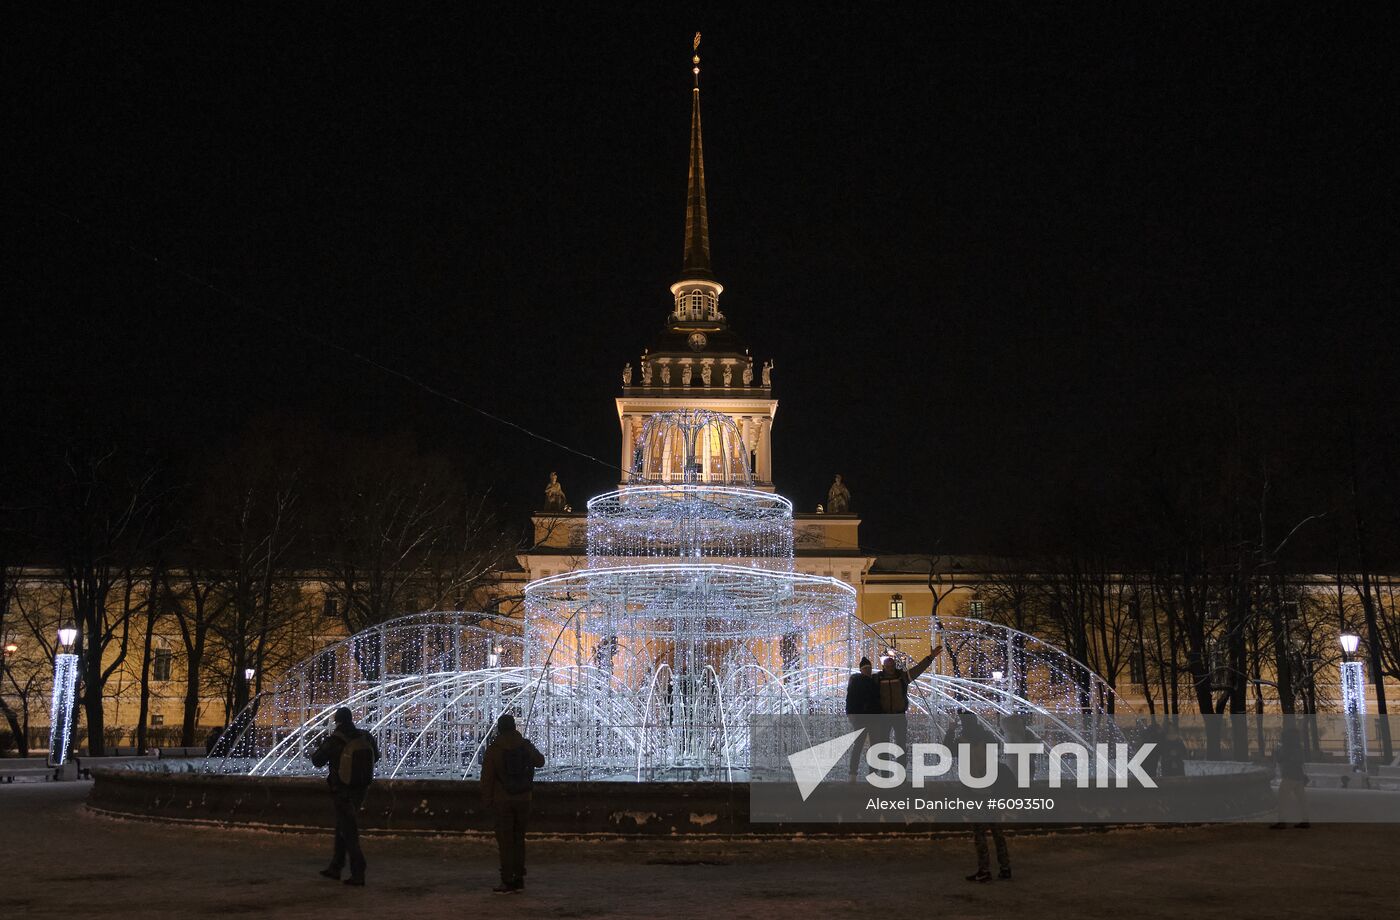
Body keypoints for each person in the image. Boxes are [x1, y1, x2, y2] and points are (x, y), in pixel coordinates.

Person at [310, 707, 380, 886]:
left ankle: (358, 870)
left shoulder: (335, 740)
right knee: (343, 825)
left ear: (337, 721)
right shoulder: (365, 736)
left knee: (348, 831)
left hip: (342, 790)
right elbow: (376, 756)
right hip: (361, 789)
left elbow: (317, 761)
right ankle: (336, 866)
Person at [481, 713, 546, 894]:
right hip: (524, 799)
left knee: (506, 841)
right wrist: (527, 751)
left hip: (503, 801)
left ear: (500, 729)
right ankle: (519, 878)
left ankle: (507, 879)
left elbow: (487, 778)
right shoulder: (525, 745)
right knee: (519, 839)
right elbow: (540, 762)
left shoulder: (494, 749)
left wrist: (487, 801)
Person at [947, 710, 1012, 882]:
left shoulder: (962, 741)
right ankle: (1005, 867)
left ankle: (984, 870)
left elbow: (947, 750)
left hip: (975, 793)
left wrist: (950, 730)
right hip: (992, 791)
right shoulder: (989, 738)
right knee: (997, 831)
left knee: (979, 833)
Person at [873, 645, 940, 765]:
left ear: (895, 666)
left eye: (892, 666)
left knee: (900, 744)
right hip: (884, 716)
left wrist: (930, 657)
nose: (890, 669)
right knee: (883, 745)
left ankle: (900, 772)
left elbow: (918, 669)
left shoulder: (902, 677)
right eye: (888, 666)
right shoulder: (877, 678)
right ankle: (884, 773)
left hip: (899, 715)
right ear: (883, 667)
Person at [844, 656, 880, 779]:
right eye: (866, 668)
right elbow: (850, 699)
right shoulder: (857, 681)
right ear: (861, 670)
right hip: (862, 718)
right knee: (859, 745)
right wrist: (850, 713)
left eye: (869, 668)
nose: (868, 670)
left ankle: (871, 772)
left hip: (872, 718)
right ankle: (854, 772)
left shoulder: (874, 680)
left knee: (872, 746)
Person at [1270, 724, 1310, 829]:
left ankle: (1282, 821)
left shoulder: (1286, 747)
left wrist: (1276, 753)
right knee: (1302, 799)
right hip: (1298, 775)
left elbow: (1280, 759)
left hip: (1288, 776)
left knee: (1282, 799)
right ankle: (1305, 820)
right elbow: (1301, 761)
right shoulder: (1298, 747)